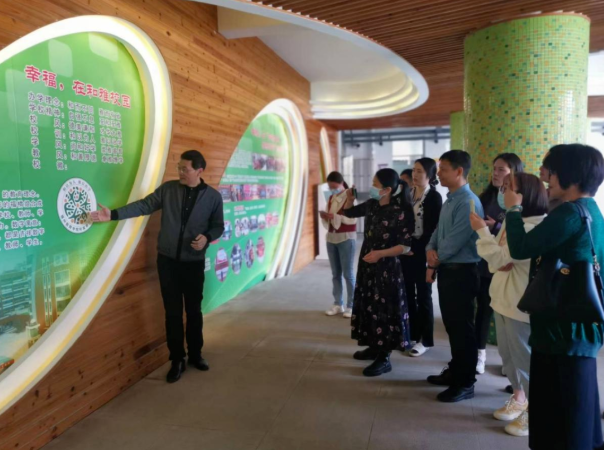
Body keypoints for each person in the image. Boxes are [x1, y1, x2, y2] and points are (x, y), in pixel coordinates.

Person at [91, 150, 224, 384]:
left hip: (193, 263)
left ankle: (196, 354)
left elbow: (218, 226)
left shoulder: (213, 197)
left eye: (185, 169)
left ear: (199, 171)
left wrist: (207, 237)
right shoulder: (168, 190)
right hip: (167, 262)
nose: (180, 172)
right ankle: (177, 359)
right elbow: (145, 205)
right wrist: (113, 214)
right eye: (179, 168)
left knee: (194, 311)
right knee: (172, 312)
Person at [505, 144, 604, 450]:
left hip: (560, 326)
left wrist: (513, 209)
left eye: (550, 170)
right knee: (578, 401)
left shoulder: (569, 213)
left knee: (560, 404)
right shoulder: (592, 210)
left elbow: (521, 248)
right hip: (579, 323)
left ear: (569, 174)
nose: (544, 177)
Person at [471, 172, 548, 437]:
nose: (503, 194)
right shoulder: (512, 221)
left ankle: (537, 412)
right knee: (508, 358)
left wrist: (482, 231)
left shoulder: (536, 226)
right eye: (503, 188)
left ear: (526, 194)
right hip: (502, 299)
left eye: (509, 188)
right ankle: (519, 398)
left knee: (525, 359)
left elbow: (499, 258)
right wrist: (498, 256)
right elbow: (497, 262)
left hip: (520, 304)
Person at [342, 168, 414, 377]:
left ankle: (384, 358)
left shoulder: (401, 210)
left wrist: (380, 254)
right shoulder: (372, 205)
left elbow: (405, 246)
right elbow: (349, 213)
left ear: (387, 189)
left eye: (375, 184)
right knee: (369, 306)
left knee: (384, 310)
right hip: (368, 265)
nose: (372, 187)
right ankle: (374, 347)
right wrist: (349, 200)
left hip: (387, 268)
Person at [425, 150, 484, 403]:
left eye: (444, 169)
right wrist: (430, 249)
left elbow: (456, 239)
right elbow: (439, 231)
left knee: (462, 329)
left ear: (459, 171)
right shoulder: (450, 199)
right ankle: (456, 370)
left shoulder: (469, 201)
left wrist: (435, 258)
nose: (438, 173)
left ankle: (465, 382)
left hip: (462, 273)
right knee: (453, 326)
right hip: (449, 270)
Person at [476, 153, 524, 374]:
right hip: (486, 264)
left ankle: (511, 364)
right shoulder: (485, 197)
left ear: (514, 172)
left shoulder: (521, 200)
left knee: (509, 317)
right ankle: (479, 354)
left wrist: (495, 227)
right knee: (483, 310)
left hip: (510, 268)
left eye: (501, 169)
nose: (495, 174)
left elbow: (519, 233)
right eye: (494, 168)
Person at [401, 158, 442, 357]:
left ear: (430, 175)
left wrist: (423, 251)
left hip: (424, 250)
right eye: (414, 170)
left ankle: (425, 340)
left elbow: (434, 229)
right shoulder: (408, 193)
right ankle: (412, 333)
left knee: (424, 295)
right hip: (406, 250)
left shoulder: (433, 197)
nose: (415, 174)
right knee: (408, 293)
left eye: (420, 171)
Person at [321, 171, 357, 318]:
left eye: (334, 187)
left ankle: (351, 305)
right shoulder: (331, 198)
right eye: (330, 187)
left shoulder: (351, 196)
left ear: (341, 183)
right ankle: (338, 303)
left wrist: (335, 217)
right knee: (335, 274)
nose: (332, 189)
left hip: (346, 238)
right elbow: (329, 219)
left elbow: (353, 219)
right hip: (331, 238)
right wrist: (326, 216)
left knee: (348, 274)